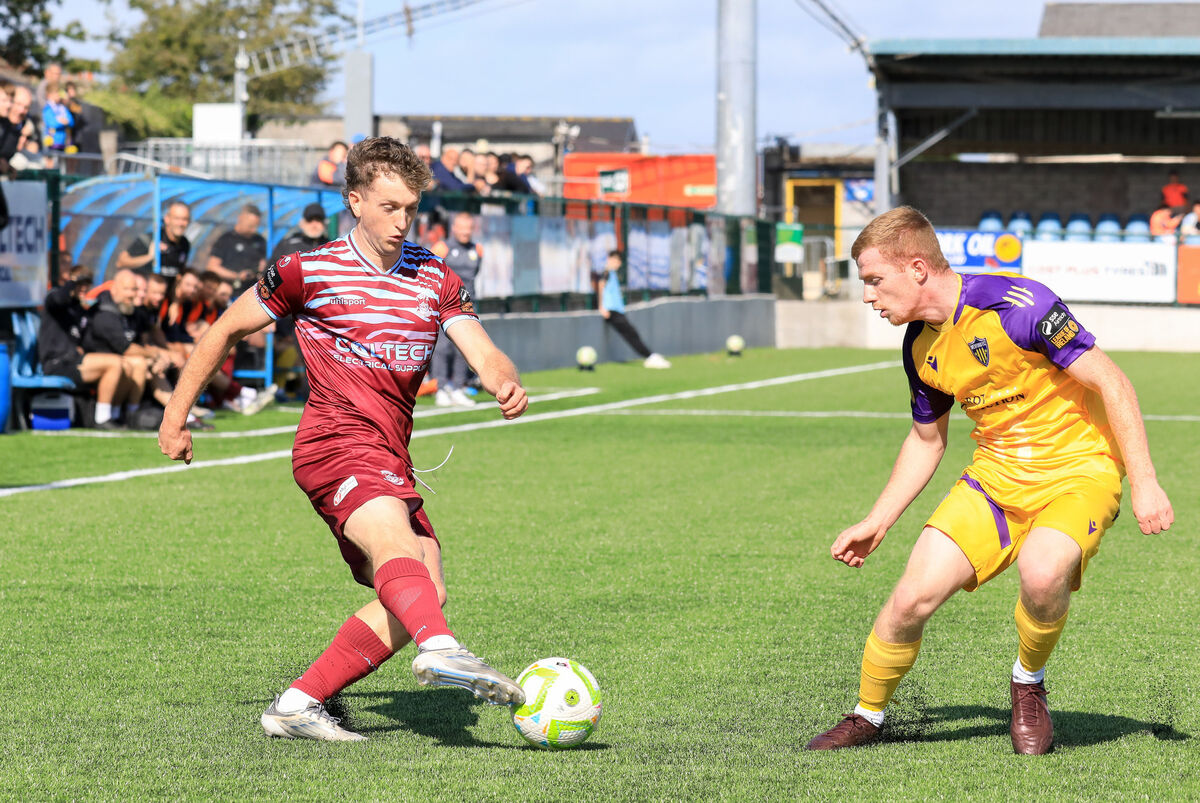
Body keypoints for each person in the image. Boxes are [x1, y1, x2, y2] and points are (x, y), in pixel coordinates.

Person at [158, 137, 531, 741]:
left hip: (390, 455)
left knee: (423, 587)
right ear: (356, 201)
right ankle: (444, 649)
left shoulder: (433, 276)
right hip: (334, 443)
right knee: (399, 554)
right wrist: (176, 416)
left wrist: (502, 381)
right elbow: (224, 329)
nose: (402, 221)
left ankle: (298, 705)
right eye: (389, 207)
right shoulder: (308, 270)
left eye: (411, 208)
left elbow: (483, 351)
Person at [805, 206, 1174, 755]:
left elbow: (1114, 383)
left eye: (874, 280)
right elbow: (927, 440)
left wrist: (1144, 479)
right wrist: (876, 521)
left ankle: (1028, 683)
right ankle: (867, 715)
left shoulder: (1018, 306)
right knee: (910, 599)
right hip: (995, 479)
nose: (868, 296)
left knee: (1043, 571)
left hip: (1078, 472)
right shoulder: (918, 347)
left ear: (917, 268)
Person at [36, 270, 130, 429]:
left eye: (86, 285)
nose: (84, 289)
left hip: (73, 361)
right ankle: (102, 419)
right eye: (80, 285)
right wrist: (72, 282)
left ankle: (116, 416)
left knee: (126, 364)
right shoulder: (54, 299)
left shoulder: (79, 310)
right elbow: (60, 298)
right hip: (56, 363)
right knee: (114, 363)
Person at [429, 212, 482, 407]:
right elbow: (430, 271)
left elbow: (475, 273)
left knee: (464, 349)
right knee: (442, 348)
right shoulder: (442, 248)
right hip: (444, 304)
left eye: (469, 228)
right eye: (462, 227)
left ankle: (458, 387)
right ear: (454, 228)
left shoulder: (477, 249)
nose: (465, 232)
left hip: (467, 305)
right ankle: (441, 388)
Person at [592, 250, 670, 369]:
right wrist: (601, 307)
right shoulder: (606, 272)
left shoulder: (612, 274)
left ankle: (650, 355)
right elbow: (601, 285)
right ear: (611, 259)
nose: (618, 264)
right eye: (616, 260)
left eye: (619, 261)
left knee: (632, 333)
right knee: (631, 334)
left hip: (617, 310)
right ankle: (650, 357)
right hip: (611, 311)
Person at [116, 200, 192, 282]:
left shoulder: (185, 244)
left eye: (185, 219)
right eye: (177, 218)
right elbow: (121, 262)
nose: (181, 223)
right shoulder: (150, 239)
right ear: (167, 219)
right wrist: (150, 257)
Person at [206, 204, 267, 289]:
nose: (254, 230)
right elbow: (212, 267)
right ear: (241, 218)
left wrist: (261, 270)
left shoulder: (260, 241)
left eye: (256, 226)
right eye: (251, 226)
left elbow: (263, 262)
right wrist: (237, 276)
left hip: (251, 291)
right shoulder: (226, 239)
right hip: (229, 291)